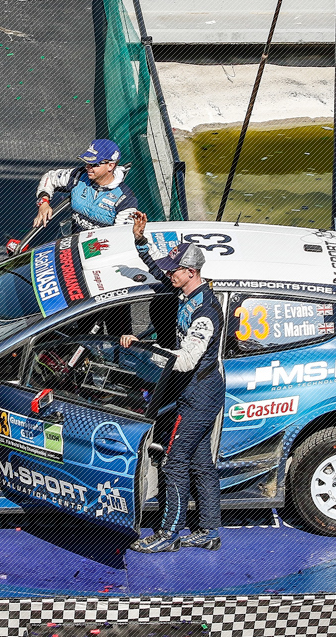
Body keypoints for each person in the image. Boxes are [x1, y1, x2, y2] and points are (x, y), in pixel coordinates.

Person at [118, 211, 223, 552]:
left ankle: (168, 535)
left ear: (191, 272)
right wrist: (140, 241)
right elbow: (155, 268)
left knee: (174, 461)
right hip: (201, 391)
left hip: (198, 394)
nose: (168, 273)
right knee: (201, 462)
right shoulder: (186, 292)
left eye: (174, 270)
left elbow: (187, 359)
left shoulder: (205, 312)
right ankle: (209, 531)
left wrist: (147, 348)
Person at [33, 138, 139, 237]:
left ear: (110, 166)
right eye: (87, 162)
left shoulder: (125, 200)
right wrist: (43, 203)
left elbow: (121, 237)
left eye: (93, 164)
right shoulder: (78, 176)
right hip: (73, 243)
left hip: (102, 248)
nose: (87, 167)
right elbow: (49, 177)